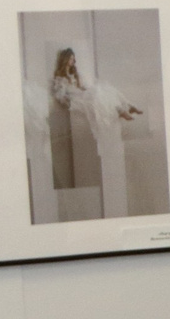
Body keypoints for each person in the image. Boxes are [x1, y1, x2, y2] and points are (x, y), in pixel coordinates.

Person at [47, 47, 145, 216]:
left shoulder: (76, 76)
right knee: (97, 95)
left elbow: (85, 88)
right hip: (74, 101)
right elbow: (60, 97)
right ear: (65, 60)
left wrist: (85, 91)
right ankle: (122, 109)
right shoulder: (59, 79)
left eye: (73, 59)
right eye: (70, 59)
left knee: (104, 90)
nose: (72, 62)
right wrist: (71, 99)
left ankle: (127, 105)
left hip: (82, 95)